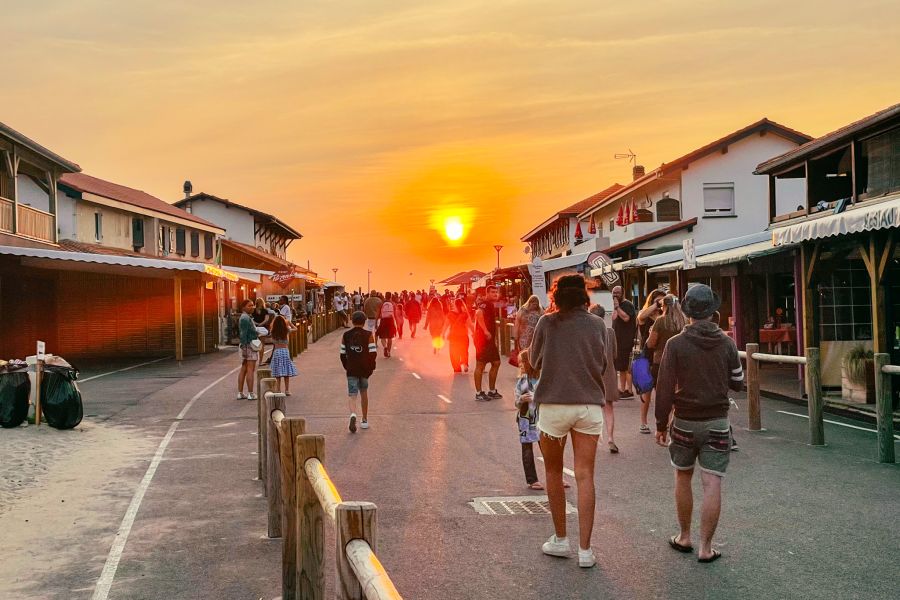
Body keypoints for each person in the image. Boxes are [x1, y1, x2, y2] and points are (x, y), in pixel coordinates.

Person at [655, 284, 744, 564]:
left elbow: (665, 387)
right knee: (712, 482)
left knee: (683, 475)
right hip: (717, 421)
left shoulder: (676, 344)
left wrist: (660, 423)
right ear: (713, 312)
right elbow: (738, 382)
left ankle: (684, 537)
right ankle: (706, 548)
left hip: (684, 420)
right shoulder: (727, 343)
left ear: (687, 311)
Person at [530, 274, 607, 568]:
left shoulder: (547, 323)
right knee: (585, 475)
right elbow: (602, 363)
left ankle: (561, 539)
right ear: (585, 295)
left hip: (553, 405)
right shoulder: (598, 324)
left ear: (556, 296)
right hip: (588, 404)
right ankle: (586, 550)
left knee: (552, 472)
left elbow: (535, 361)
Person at [643, 294, 686, 432]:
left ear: (665, 306)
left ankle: (663, 424)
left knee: (662, 395)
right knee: (677, 393)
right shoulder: (685, 321)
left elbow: (651, 343)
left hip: (660, 362)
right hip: (680, 363)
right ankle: (675, 423)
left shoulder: (661, 321)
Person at [588, 304, 619, 454]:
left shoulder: (586, 333)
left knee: (591, 410)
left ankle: (592, 442)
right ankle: (611, 438)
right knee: (609, 408)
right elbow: (614, 354)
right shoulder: (611, 332)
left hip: (591, 374)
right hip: (608, 373)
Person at [340, 311, 378, 433]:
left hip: (351, 368)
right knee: (364, 393)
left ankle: (353, 415)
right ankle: (365, 420)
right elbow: (373, 353)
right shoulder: (368, 335)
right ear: (364, 321)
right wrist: (371, 368)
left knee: (352, 394)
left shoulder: (345, 335)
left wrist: (347, 366)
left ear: (353, 321)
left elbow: (342, 354)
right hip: (364, 369)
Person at [515, 349, 543, 490]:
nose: (520, 365)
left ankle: (557, 477)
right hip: (525, 419)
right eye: (519, 362)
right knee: (527, 449)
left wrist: (535, 398)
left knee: (548, 448)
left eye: (522, 362)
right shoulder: (521, 382)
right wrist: (521, 399)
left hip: (540, 418)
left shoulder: (541, 379)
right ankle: (532, 480)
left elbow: (546, 397)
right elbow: (516, 402)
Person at [473, 285, 502, 402]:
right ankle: (479, 393)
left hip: (488, 341)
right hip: (482, 340)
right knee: (480, 365)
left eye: (496, 292)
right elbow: (478, 313)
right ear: (487, 293)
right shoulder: (485, 303)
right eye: (493, 292)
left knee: (496, 362)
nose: (495, 294)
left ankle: (492, 390)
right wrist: (485, 331)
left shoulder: (490, 304)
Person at [611, 285, 637, 399]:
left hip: (625, 341)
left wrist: (617, 307)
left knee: (626, 367)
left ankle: (629, 389)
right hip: (618, 341)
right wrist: (616, 307)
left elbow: (626, 318)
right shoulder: (619, 306)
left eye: (617, 293)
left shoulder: (627, 305)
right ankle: (622, 389)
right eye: (613, 293)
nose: (615, 295)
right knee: (621, 367)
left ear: (623, 293)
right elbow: (613, 318)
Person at [237, 299, 260, 400]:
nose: (252, 307)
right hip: (249, 345)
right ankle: (250, 393)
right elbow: (243, 334)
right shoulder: (245, 318)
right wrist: (256, 333)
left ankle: (240, 392)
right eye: (249, 305)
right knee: (250, 369)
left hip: (246, 345)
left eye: (253, 305)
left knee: (244, 369)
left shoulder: (245, 317)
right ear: (243, 308)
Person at [269, 315, 298, 396]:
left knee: (278, 372)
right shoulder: (286, 330)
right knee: (286, 372)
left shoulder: (273, 331)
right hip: (285, 351)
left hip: (277, 351)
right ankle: (287, 390)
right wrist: (289, 322)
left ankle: (278, 389)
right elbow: (296, 329)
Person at [445, 298, 471, 373]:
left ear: (454, 305)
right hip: (463, 335)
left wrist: (443, 333)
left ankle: (457, 368)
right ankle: (465, 364)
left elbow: (446, 324)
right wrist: (473, 333)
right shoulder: (465, 314)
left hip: (453, 336)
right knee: (464, 350)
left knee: (453, 352)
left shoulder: (450, 313)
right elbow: (470, 325)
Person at [376, 293, 397, 357]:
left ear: (385, 296)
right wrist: (396, 323)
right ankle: (388, 352)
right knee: (390, 337)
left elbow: (377, 314)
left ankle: (385, 347)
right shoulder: (393, 304)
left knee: (382, 337)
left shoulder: (381, 303)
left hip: (383, 321)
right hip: (390, 321)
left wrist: (376, 322)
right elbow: (395, 315)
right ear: (390, 296)